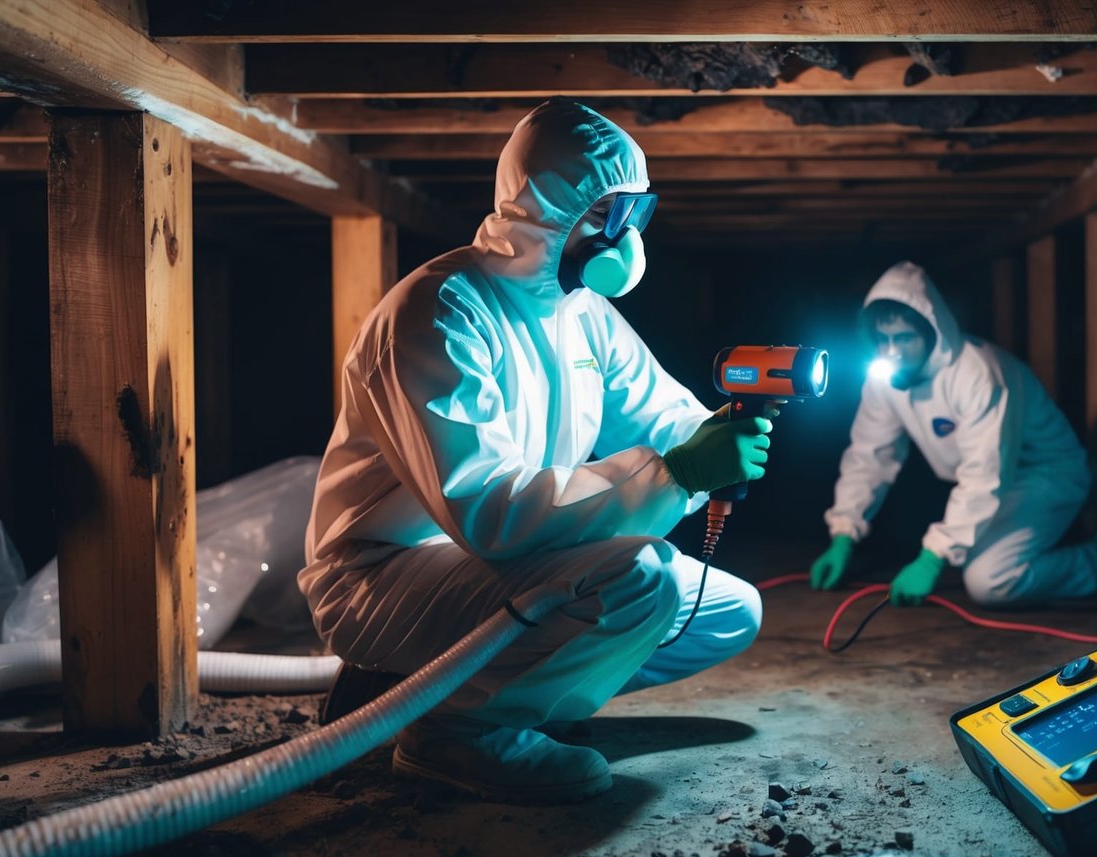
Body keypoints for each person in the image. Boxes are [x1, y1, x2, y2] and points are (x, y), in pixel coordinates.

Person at [298, 100, 774, 804]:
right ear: (545, 211)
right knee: (642, 578)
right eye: (606, 215)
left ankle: (454, 689)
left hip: (493, 569)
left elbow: (663, 414)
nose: (624, 238)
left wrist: (716, 435)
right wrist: (676, 473)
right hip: (383, 576)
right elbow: (488, 511)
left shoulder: (583, 315)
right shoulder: (440, 310)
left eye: (635, 214)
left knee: (729, 612)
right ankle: (454, 732)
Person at [808, 261, 1097, 607]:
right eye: (883, 340)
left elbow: (984, 475)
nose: (891, 352)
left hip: (1046, 475)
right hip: (996, 482)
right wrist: (844, 533)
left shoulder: (977, 374)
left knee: (988, 580)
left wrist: (932, 558)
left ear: (932, 331)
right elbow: (870, 455)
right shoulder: (885, 379)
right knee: (962, 550)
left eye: (904, 338)